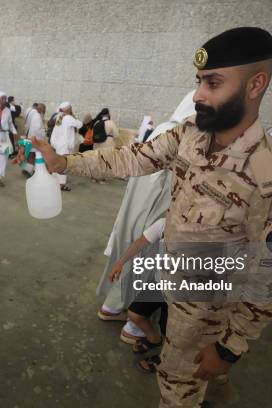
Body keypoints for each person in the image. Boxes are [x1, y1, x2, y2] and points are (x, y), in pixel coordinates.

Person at [34, 27, 272, 407]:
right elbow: (133, 157)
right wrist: (66, 162)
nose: (198, 95)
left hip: (205, 318)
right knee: (198, 385)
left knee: (177, 392)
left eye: (213, 83)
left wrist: (229, 347)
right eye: (199, 82)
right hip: (169, 280)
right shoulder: (191, 133)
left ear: (255, 84)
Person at [96, 90, 196, 338]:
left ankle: (112, 305)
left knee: (129, 246)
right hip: (159, 205)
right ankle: (134, 326)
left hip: (136, 201)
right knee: (150, 259)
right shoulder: (186, 138)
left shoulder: (162, 128)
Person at [108, 217, 168, 373]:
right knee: (135, 314)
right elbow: (141, 241)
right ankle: (155, 339)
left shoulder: (207, 235)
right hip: (160, 282)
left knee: (171, 331)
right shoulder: (165, 223)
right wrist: (120, 262)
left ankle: (167, 360)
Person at [49, 102, 82, 191]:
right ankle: (61, 184)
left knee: (58, 163)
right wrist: (73, 115)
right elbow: (80, 124)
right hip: (64, 146)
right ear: (69, 109)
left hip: (59, 145)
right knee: (64, 165)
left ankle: (54, 182)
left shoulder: (60, 117)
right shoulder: (68, 118)